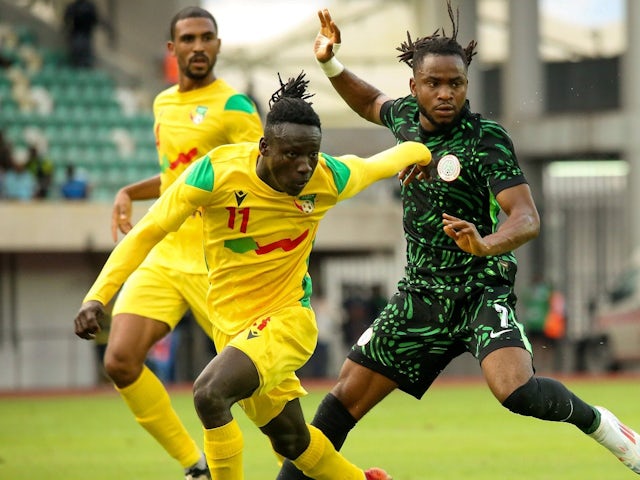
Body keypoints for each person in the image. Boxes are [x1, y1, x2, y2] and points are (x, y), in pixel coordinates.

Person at [276, 3, 640, 479]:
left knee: (518, 393)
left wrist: (485, 244)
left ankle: (609, 430)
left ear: (467, 85)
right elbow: (369, 101)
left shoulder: (487, 139)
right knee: (341, 402)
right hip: (421, 295)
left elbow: (526, 217)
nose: (446, 93)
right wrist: (329, 63)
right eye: (434, 84)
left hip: (480, 291)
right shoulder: (405, 117)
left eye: (456, 84)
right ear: (415, 87)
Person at [73, 70, 432, 480]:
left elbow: (383, 162)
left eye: (311, 155)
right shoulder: (216, 173)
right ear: (263, 148)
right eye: (292, 154)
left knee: (209, 394)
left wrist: (424, 154)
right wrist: (97, 296)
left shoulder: (329, 177)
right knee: (293, 442)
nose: (303, 167)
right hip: (234, 328)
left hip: (287, 322)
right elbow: (148, 233)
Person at [96, 7, 264, 480]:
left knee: (258, 393)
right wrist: (130, 190)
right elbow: (178, 178)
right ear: (172, 49)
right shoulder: (162, 105)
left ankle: (302, 465)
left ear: (217, 44)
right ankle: (195, 466)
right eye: (187, 39)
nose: (197, 47)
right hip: (168, 255)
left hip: (218, 265)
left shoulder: (236, 108)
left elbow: (261, 178)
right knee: (121, 360)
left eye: (206, 37)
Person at [63, 0, 100, 68]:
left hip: (85, 35)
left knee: (85, 57)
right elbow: (66, 20)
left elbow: (95, 20)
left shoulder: (89, 7)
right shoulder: (74, 6)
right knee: (77, 57)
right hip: (77, 34)